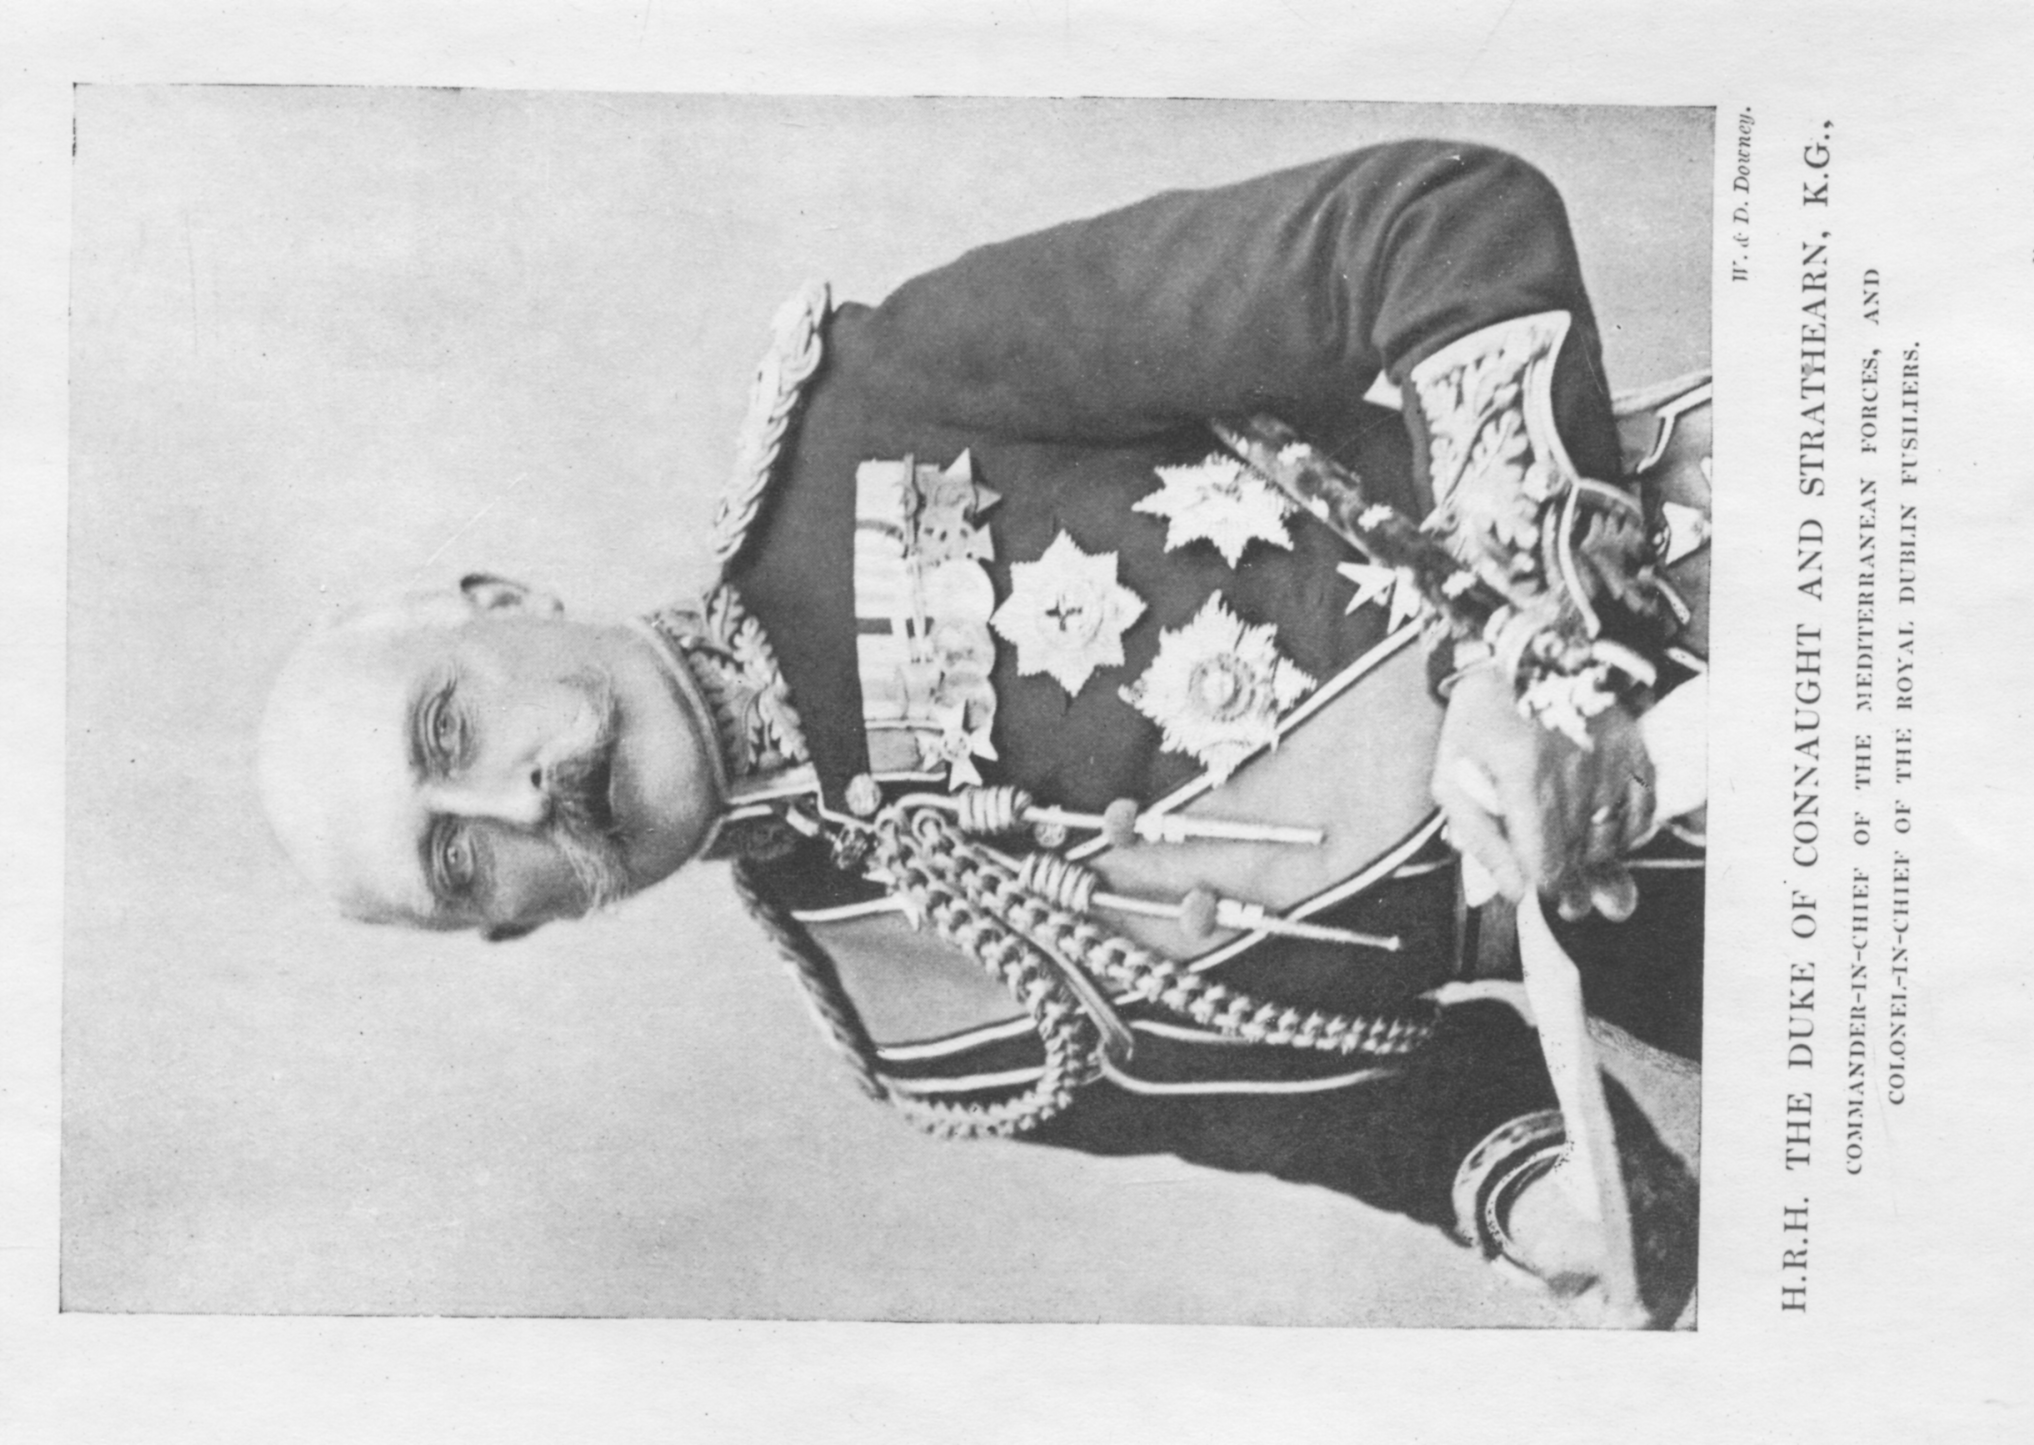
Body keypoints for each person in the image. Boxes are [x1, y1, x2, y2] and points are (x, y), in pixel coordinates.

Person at [257, 140, 1711, 1325]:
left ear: (506, 601)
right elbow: (1395, 1112)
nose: (516, 804)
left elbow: (1432, 221)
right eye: (457, 862)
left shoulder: (887, 409)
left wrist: (1527, 649)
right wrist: (1555, 1203)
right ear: (520, 925)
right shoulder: (935, 1032)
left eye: (449, 727)